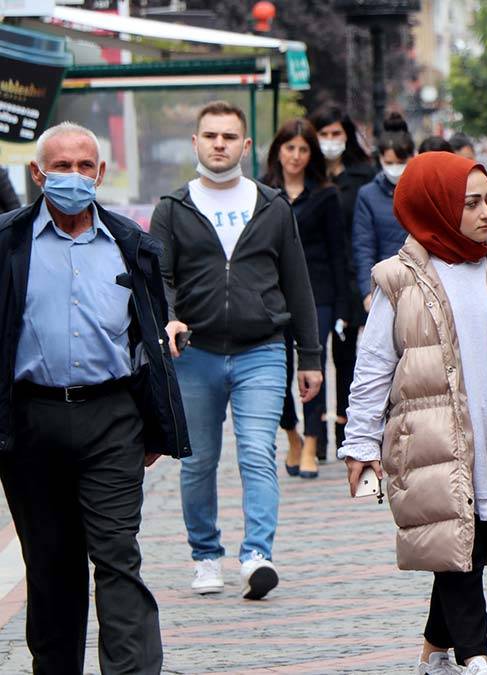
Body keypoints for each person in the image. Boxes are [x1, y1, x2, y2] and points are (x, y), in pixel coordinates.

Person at [339, 151, 487, 675]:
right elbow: (373, 367)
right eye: (470, 204)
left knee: (470, 541)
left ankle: (433, 651)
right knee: (458, 543)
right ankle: (475, 656)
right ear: (437, 206)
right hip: (431, 439)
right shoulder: (399, 279)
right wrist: (361, 443)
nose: (486, 213)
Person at [0, 122, 188, 674]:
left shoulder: (131, 243)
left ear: (101, 173)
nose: (74, 177)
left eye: (85, 166)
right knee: (51, 567)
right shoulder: (7, 242)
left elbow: (148, 337)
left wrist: (155, 425)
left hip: (112, 419)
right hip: (32, 421)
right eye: (61, 166)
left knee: (117, 556)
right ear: (38, 174)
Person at [151, 100, 322, 600]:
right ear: (196, 142)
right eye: (210, 136)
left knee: (257, 452)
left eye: (229, 137)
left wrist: (310, 357)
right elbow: (159, 277)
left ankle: (256, 556)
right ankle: (205, 556)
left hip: (261, 349)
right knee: (198, 461)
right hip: (195, 352)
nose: (219, 144)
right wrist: (169, 317)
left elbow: (297, 283)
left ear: (245, 145)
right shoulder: (172, 208)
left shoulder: (272, 206)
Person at [261, 119, 349, 479]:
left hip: (319, 293)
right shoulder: (262, 192)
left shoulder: (327, 195)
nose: (295, 156)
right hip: (274, 294)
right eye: (289, 148)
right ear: (278, 151)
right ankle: (292, 435)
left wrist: (343, 304)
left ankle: (312, 441)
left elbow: (338, 253)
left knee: (313, 364)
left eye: (302, 149)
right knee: (277, 368)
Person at [309, 106, 379, 455]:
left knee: (347, 356)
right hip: (316, 276)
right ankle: (315, 435)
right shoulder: (308, 174)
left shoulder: (363, 176)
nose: (330, 141)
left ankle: (345, 431)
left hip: (351, 276)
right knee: (313, 355)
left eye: (336, 134)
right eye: (324, 134)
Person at [352, 129, 414, 303]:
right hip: (384, 285)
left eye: (400, 162)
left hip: (420, 283)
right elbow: (363, 246)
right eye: (389, 162)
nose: (394, 168)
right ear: (380, 159)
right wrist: (367, 291)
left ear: (412, 157)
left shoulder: (422, 192)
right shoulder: (368, 195)